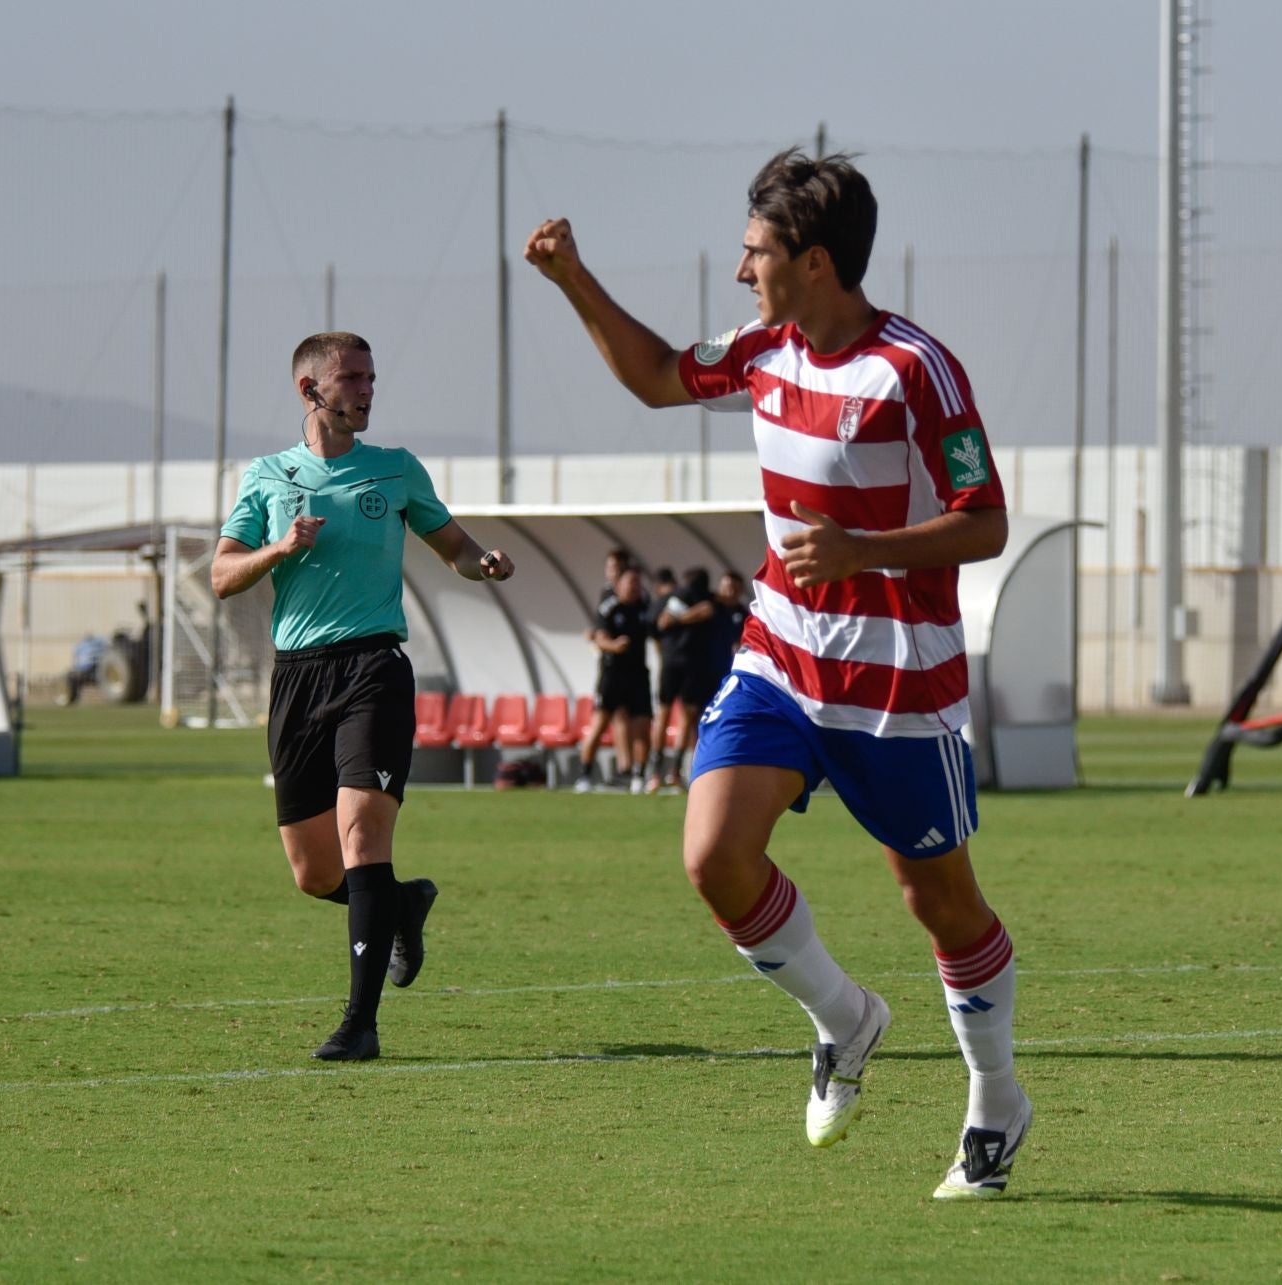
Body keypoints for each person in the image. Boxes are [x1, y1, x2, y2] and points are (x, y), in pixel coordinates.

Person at [526, 149, 1025, 1199]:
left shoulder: (916, 371)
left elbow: (988, 524)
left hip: (898, 686)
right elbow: (660, 376)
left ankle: (995, 1099)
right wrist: (574, 278)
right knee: (713, 855)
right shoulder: (761, 348)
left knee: (942, 906)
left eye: (756, 251)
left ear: (815, 260)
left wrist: (863, 549)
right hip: (781, 662)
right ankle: (846, 1020)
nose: (741, 267)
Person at [212, 330, 515, 1062]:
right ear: (309, 389)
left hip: (373, 669)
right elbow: (223, 576)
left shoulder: (396, 471)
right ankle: (402, 903)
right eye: (351, 378)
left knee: (361, 837)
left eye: (372, 378)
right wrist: (280, 548)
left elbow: (456, 548)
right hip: (296, 677)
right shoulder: (266, 476)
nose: (366, 390)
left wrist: (486, 563)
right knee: (316, 872)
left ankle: (360, 1024)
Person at [574, 566, 653, 793]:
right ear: (619, 587)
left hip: (638, 674)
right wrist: (614, 646)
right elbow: (599, 637)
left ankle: (639, 775)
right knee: (599, 724)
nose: (635, 588)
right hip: (612, 674)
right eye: (630, 584)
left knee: (642, 724)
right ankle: (585, 774)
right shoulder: (609, 608)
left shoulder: (644, 607)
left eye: (638, 583)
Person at [652, 566, 718, 791]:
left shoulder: (705, 599)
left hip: (692, 665)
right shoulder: (680, 597)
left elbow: (706, 610)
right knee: (665, 712)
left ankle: (675, 771)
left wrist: (681, 618)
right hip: (673, 662)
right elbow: (664, 622)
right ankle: (655, 770)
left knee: (688, 717)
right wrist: (685, 618)